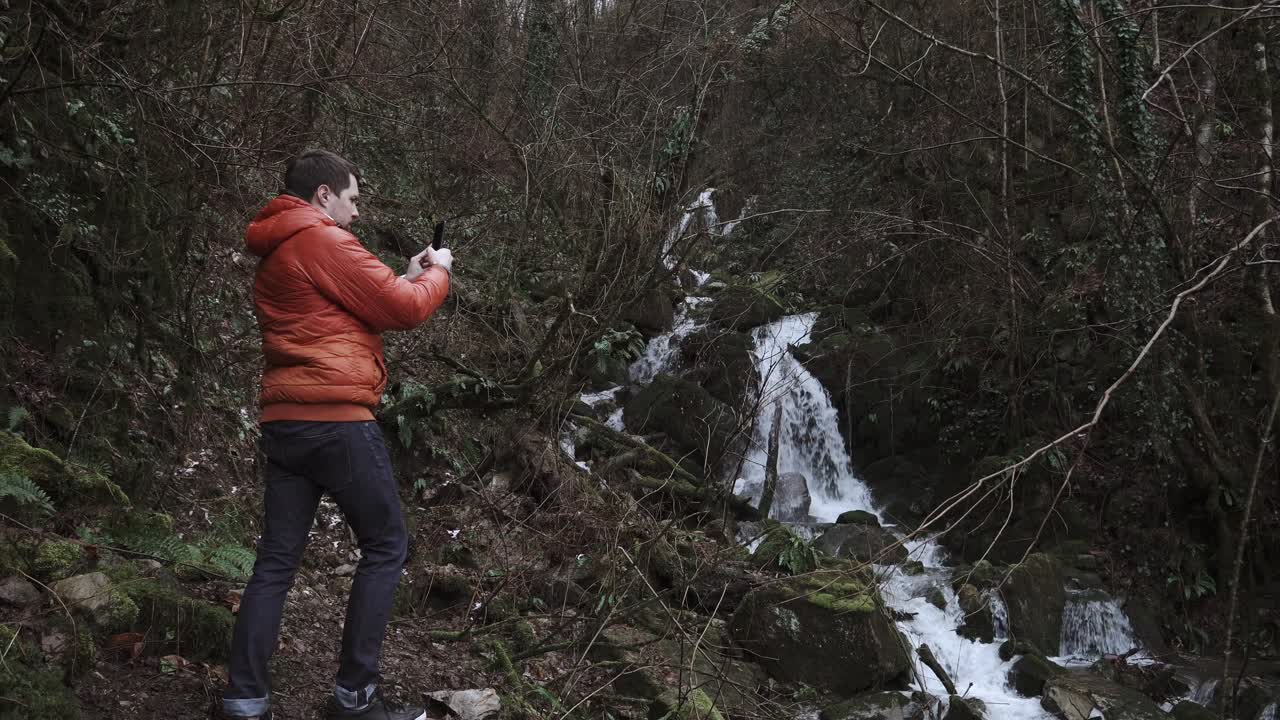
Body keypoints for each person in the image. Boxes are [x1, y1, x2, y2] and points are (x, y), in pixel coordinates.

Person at [222, 150, 452, 720]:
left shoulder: (282, 247)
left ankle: (244, 701)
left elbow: (348, 313)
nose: (357, 210)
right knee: (386, 545)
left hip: (286, 423)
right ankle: (354, 700)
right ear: (323, 194)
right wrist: (439, 270)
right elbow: (403, 309)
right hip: (336, 423)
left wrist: (404, 274)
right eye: (352, 197)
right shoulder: (323, 240)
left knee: (275, 562)